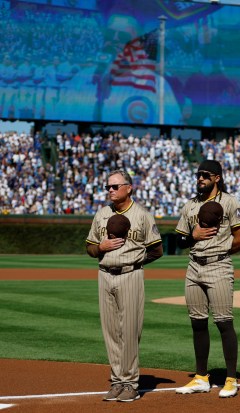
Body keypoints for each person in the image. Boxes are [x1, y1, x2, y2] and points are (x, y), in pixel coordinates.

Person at [86, 169, 163, 402]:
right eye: (108, 186)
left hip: (130, 276)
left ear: (129, 188)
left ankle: (130, 383)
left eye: (115, 186)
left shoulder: (142, 215)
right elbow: (89, 247)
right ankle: (117, 380)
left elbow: (157, 250)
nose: (110, 190)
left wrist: (134, 260)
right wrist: (102, 247)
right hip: (104, 274)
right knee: (111, 332)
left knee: (129, 331)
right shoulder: (101, 215)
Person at [174, 160, 240, 398]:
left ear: (217, 177)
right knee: (197, 323)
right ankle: (201, 377)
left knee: (224, 322)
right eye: (198, 175)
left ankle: (231, 378)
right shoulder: (190, 205)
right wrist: (192, 236)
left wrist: (221, 252)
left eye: (205, 175)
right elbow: (179, 241)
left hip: (219, 266)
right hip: (194, 266)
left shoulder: (230, 202)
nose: (200, 178)